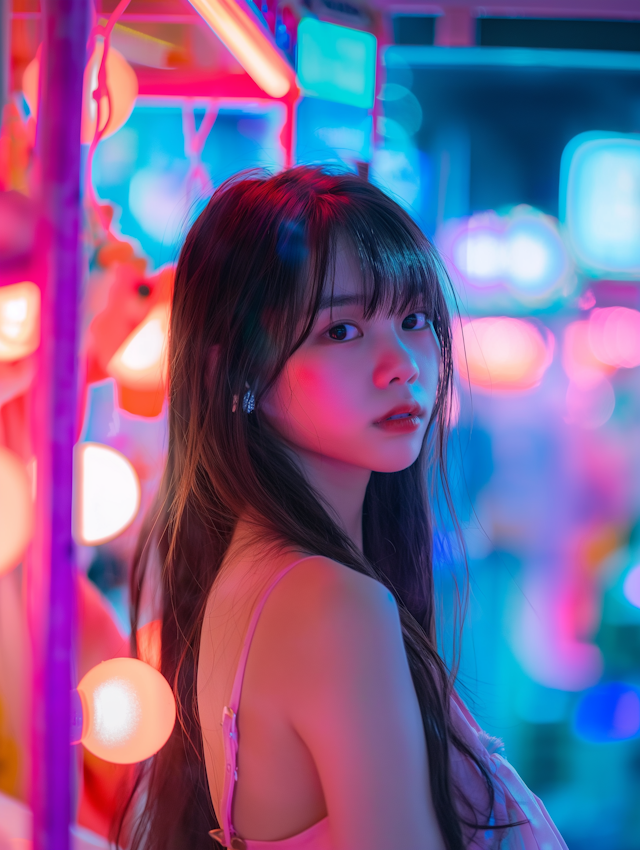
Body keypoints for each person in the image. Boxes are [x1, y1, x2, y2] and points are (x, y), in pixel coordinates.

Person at [120, 167, 568, 850]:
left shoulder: (257, 577)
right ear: (234, 371)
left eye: (413, 320)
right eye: (342, 331)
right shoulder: (332, 604)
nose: (403, 365)